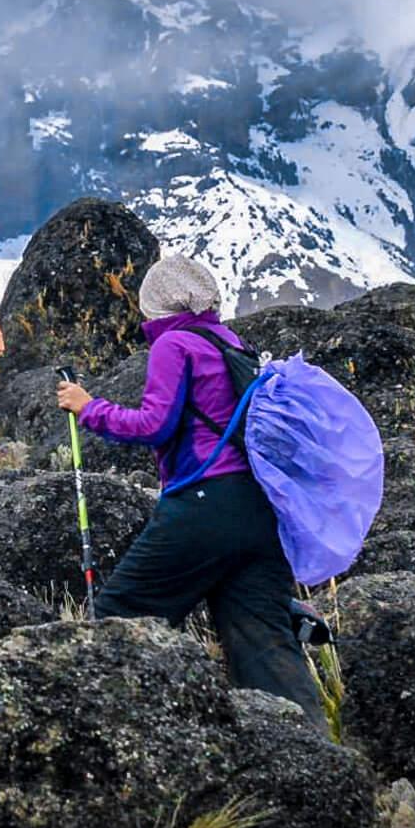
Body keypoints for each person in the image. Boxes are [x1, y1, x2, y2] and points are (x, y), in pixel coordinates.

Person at [55, 254, 326, 727]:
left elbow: (154, 425)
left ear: (156, 303)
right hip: (260, 509)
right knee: (263, 641)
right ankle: (313, 756)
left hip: (204, 503)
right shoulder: (231, 343)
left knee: (119, 616)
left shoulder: (174, 344)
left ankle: (100, 733)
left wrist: (88, 406)